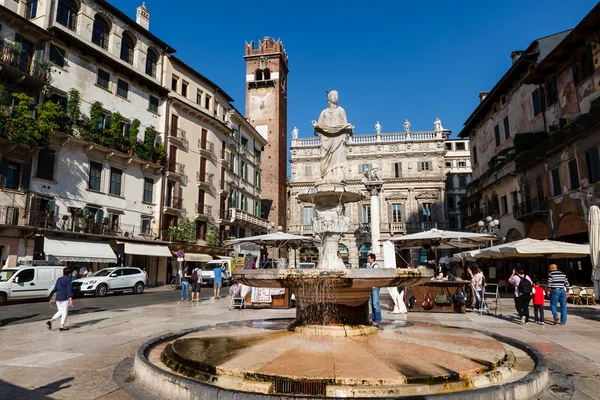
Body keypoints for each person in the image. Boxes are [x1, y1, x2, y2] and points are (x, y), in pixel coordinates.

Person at [47, 267, 74, 331]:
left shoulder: (59, 279)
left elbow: (55, 288)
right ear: (69, 274)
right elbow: (69, 290)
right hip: (64, 297)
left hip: (58, 297)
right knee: (64, 311)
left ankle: (50, 321)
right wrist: (70, 299)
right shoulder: (68, 280)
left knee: (61, 310)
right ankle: (61, 326)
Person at [367, 253, 382, 324]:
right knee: (372, 304)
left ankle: (378, 318)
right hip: (371, 287)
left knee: (375, 303)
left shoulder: (376, 266)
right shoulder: (370, 266)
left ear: (372, 259)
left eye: (369, 258)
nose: (368, 259)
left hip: (375, 287)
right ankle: (373, 318)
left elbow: (377, 275)